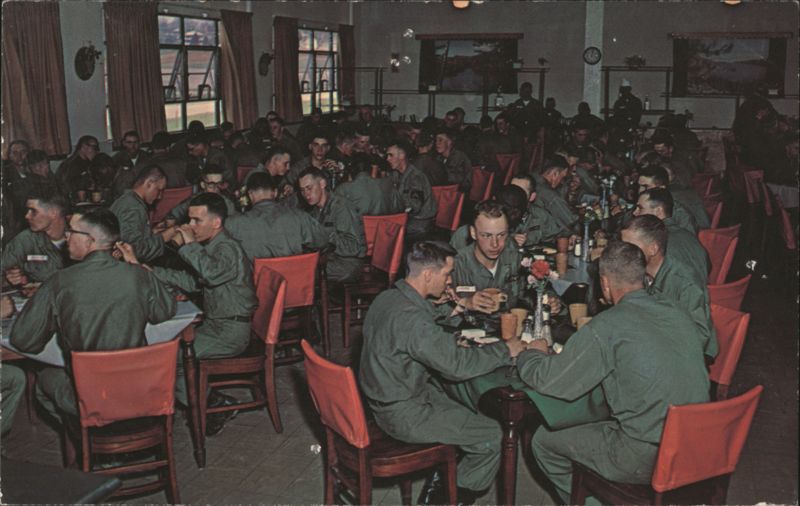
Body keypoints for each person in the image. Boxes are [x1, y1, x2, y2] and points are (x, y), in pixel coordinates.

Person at [517, 241, 710, 503]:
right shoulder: (676, 310)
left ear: (605, 283)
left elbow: (552, 381)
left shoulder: (607, 324)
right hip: (698, 444)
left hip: (646, 453)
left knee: (543, 442)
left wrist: (530, 354)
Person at [359, 241, 526, 504]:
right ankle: (443, 499)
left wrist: (458, 307)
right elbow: (458, 366)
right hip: (403, 413)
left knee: (467, 406)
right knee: (492, 435)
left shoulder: (388, 297)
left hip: (387, 398)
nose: (450, 282)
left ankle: (444, 476)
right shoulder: (413, 322)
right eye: (447, 274)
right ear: (428, 275)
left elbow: (420, 321)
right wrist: (507, 349)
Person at [10, 208, 176, 423]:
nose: (66, 237)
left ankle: (88, 439)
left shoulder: (59, 281)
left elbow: (25, 340)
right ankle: (109, 439)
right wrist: (136, 265)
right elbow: (165, 311)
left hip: (92, 397)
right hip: (139, 391)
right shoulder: (138, 275)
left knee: (45, 381)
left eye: (71, 232)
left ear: (89, 241)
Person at [120, 193, 257, 436]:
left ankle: (212, 404)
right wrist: (146, 269)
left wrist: (189, 245)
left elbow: (211, 274)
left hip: (231, 332)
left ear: (216, 222)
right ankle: (213, 401)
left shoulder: (227, 248)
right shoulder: (211, 247)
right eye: (190, 220)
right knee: (170, 352)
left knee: (168, 362)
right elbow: (191, 281)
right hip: (218, 325)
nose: (190, 226)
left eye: (196, 221)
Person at [621, 215, 717, 358]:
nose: (623, 253)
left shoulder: (684, 282)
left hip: (687, 358)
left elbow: (699, 337)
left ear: (653, 249)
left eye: (630, 247)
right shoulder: (641, 271)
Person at [226, 172, 329, 260]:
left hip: (259, 281)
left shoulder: (234, 223)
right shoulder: (299, 216)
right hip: (295, 280)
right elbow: (323, 241)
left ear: (250, 195)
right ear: (275, 193)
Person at [451, 201, 525, 310]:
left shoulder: (515, 257)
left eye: (501, 235)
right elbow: (435, 311)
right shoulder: (456, 265)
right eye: (486, 235)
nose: (495, 244)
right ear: (473, 233)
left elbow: (533, 288)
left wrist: (550, 300)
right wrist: (464, 303)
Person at [298, 167, 366, 283]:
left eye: (309, 188)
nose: (306, 194)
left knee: (302, 272)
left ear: (322, 184)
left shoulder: (341, 207)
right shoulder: (315, 210)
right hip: (330, 259)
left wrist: (325, 236)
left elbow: (353, 247)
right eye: (302, 190)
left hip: (347, 263)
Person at [634, 188, 709, 282]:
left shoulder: (656, 241)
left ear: (658, 211)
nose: (635, 213)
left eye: (640, 208)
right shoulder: (689, 235)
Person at [110, 164, 177, 262]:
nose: (160, 197)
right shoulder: (133, 207)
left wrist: (150, 233)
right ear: (149, 183)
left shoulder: (127, 200)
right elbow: (134, 251)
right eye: (159, 190)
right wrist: (163, 238)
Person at [2, 189, 69, 285]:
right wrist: (9, 279)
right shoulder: (24, 240)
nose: (27, 216)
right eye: (27, 210)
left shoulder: (80, 237)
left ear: (53, 213)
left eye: (33, 211)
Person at [387, 140, 437, 241]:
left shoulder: (416, 177)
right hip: (409, 217)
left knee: (388, 231)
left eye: (391, 155)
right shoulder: (396, 174)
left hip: (419, 221)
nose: (388, 159)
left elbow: (415, 206)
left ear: (401, 156)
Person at [637, 165, 705, 233]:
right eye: (639, 186)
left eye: (645, 186)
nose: (640, 190)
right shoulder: (642, 205)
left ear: (661, 188)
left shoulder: (677, 211)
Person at [164, 165, 237, 225]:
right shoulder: (193, 201)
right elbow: (171, 217)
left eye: (219, 184)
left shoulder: (228, 204)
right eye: (211, 185)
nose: (216, 189)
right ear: (203, 185)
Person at [511, 175, 567, 247]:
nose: (514, 195)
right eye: (512, 190)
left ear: (532, 197)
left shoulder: (540, 215)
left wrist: (568, 238)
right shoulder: (500, 215)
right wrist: (510, 239)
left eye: (521, 192)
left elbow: (555, 236)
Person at [532, 156, 578, 233]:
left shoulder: (532, 180)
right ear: (555, 174)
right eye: (562, 178)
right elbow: (570, 220)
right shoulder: (549, 194)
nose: (561, 182)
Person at [56, 135, 99, 202]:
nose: (96, 150)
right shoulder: (70, 164)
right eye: (93, 147)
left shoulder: (89, 162)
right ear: (84, 146)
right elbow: (64, 186)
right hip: (72, 200)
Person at [435, 128, 472, 193]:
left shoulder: (459, 157)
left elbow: (461, 180)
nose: (437, 143)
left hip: (458, 194)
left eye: (440, 140)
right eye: (436, 140)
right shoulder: (439, 157)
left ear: (449, 142)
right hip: (446, 191)